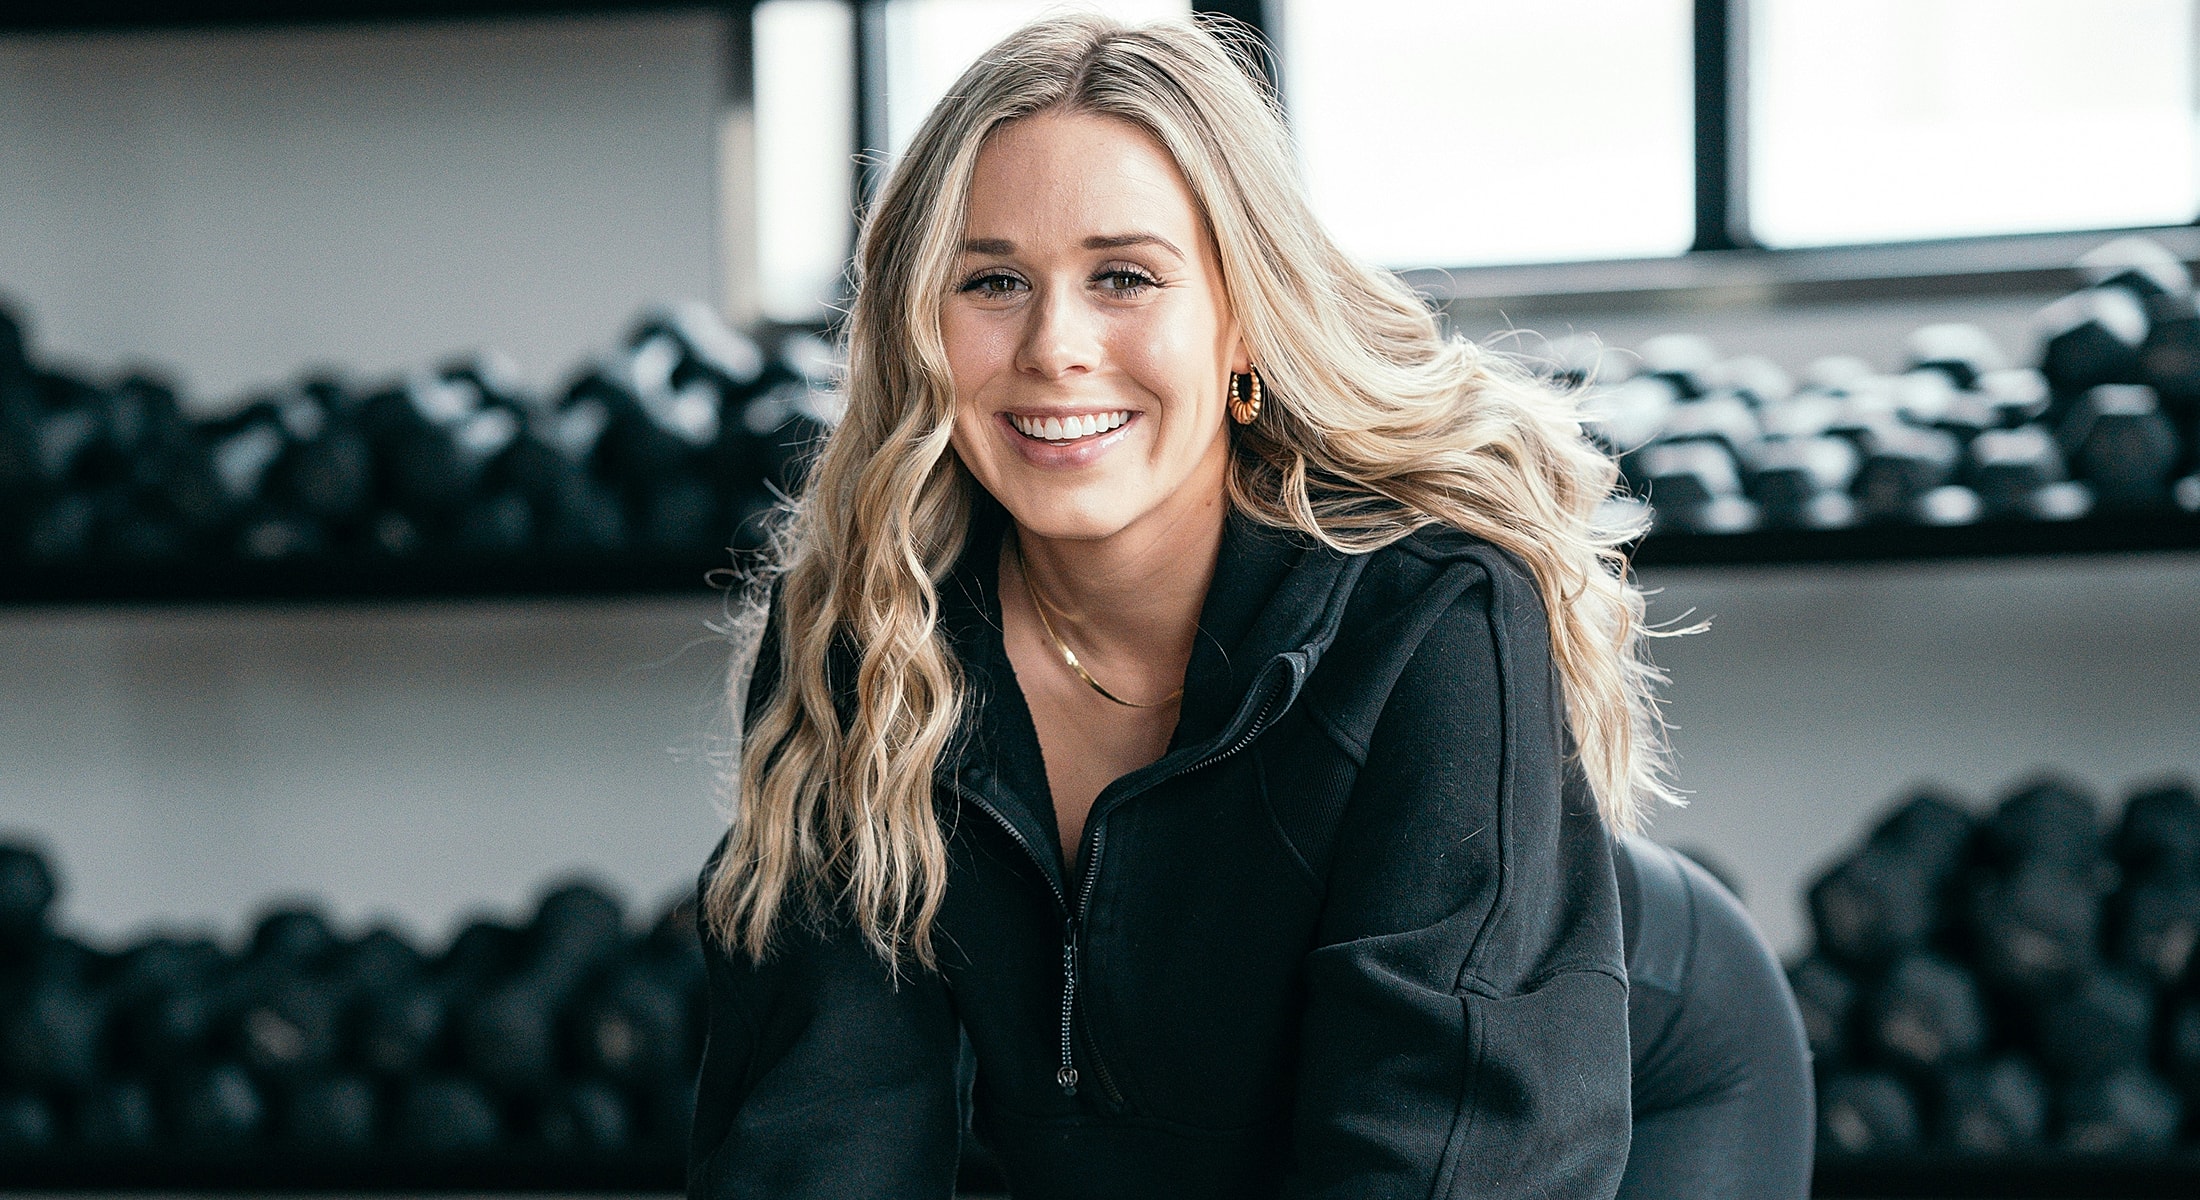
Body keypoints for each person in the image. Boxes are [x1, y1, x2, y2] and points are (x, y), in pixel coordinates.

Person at [691, 14, 1680, 1198]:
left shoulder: (1429, 615)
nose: (1055, 346)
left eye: (1125, 277)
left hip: (1583, 1092)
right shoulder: (869, 629)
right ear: (920, 327)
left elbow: (1441, 1152)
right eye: (993, 280)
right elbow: (824, 1121)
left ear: (1241, 318)